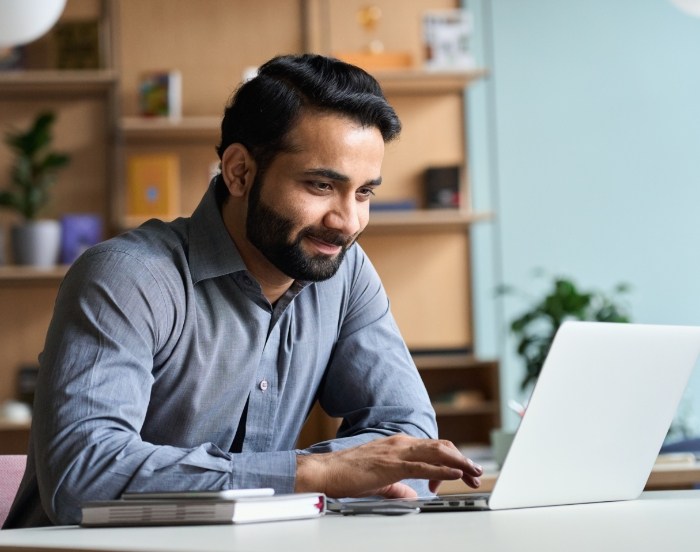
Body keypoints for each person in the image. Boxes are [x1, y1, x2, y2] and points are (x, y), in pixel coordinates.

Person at [4, 54, 482, 528]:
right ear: (238, 172)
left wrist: (339, 474)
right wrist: (313, 473)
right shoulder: (126, 277)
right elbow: (83, 477)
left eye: (363, 193)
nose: (348, 222)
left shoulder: (345, 272)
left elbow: (409, 436)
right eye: (320, 185)